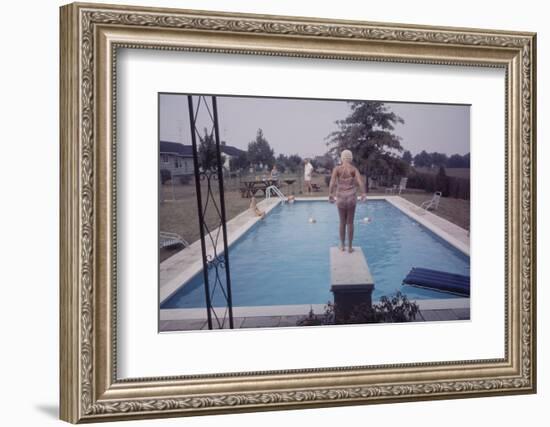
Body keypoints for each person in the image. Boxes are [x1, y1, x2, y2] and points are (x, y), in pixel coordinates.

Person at [328, 149, 366, 253]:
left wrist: (330, 194)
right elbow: (360, 182)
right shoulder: (354, 169)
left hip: (340, 197)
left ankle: (342, 246)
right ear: (351, 158)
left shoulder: (337, 169)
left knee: (342, 222)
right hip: (351, 198)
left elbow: (332, 182)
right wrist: (363, 194)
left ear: (342, 157)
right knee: (350, 223)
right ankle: (350, 247)